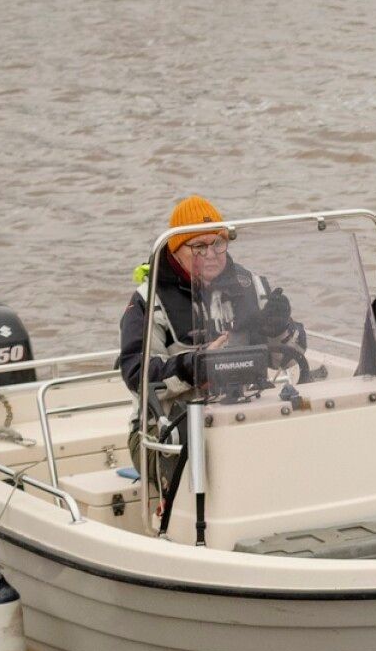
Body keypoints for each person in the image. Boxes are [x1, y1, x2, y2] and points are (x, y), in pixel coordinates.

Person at [116, 195, 301, 487]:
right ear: (175, 250)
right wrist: (197, 366)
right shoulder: (148, 299)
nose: (212, 253)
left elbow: (290, 359)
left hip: (245, 415)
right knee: (222, 473)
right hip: (164, 431)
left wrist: (279, 328)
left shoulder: (251, 285)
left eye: (218, 243)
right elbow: (136, 375)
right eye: (199, 246)